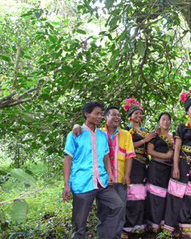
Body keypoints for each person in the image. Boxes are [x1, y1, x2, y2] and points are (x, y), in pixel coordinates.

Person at [63, 101, 124, 239]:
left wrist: (109, 174)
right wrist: (66, 185)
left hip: (102, 182)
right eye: (96, 113)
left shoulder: (102, 135)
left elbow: (106, 156)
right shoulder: (75, 134)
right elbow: (67, 159)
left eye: (101, 114)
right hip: (82, 184)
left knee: (118, 206)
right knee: (79, 224)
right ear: (87, 114)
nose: (99, 116)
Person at [72, 105, 136, 238]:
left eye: (118, 115)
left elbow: (130, 156)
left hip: (120, 177)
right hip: (101, 180)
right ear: (105, 117)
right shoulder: (98, 132)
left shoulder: (125, 134)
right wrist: (76, 125)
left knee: (119, 210)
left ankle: (115, 236)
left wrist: (127, 175)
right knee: (103, 212)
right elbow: (83, 130)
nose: (117, 117)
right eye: (113, 114)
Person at [163, 89, 191, 239]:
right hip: (182, 163)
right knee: (176, 194)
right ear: (187, 111)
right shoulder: (182, 127)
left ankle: (187, 228)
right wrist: (175, 167)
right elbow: (177, 148)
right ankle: (170, 226)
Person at [122, 98, 156, 234]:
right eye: (136, 113)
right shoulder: (126, 131)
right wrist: (145, 140)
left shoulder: (144, 130)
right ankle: (128, 225)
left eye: (140, 114)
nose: (139, 116)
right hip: (133, 163)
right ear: (130, 116)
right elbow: (126, 147)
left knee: (142, 194)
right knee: (132, 194)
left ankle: (140, 224)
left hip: (144, 164)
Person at [145, 112, 174, 232]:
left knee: (165, 196)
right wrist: (165, 156)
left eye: (168, 120)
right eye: (163, 119)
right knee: (155, 195)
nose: (166, 122)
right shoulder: (155, 135)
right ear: (159, 122)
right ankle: (153, 223)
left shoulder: (173, 136)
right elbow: (150, 151)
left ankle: (162, 222)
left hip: (168, 169)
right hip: (156, 168)